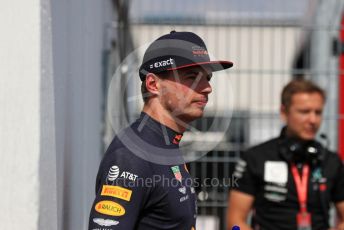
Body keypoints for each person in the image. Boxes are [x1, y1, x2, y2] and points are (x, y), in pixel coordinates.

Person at [88, 31, 233, 230]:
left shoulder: (165, 144)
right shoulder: (132, 154)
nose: (207, 88)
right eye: (192, 77)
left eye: (207, 78)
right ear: (153, 84)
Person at [227, 79, 344, 230]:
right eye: (304, 112)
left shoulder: (331, 161)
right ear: (284, 112)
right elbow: (235, 220)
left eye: (318, 112)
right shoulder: (256, 157)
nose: (313, 120)